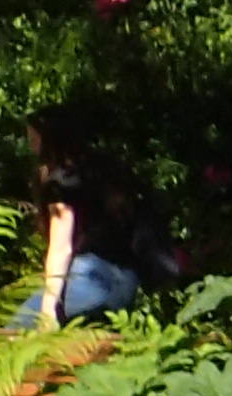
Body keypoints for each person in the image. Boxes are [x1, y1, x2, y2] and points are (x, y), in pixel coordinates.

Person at [22, 105, 180, 327]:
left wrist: (48, 311)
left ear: (49, 139)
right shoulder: (108, 171)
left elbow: (61, 248)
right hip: (126, 284)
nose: (30, 144)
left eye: (33, 137)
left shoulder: (60, 183)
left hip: (88, 277)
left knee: (13, 334)